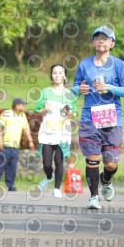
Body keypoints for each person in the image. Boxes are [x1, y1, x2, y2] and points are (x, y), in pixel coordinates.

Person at [73, 26, 124, 209]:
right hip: (89, 117)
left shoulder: (119, 65)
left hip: (112, 118)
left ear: (112, 44)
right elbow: (75, 87)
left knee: (110, 162)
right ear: (93, 42)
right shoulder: (84, 64)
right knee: (92, 159)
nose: (101, 40)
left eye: (105, 38)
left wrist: (110, 88)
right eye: (97, 37)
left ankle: (106, 180)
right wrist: (79, 90)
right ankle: (93, 197)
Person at [34, 64, 77, 198]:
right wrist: (45, 110)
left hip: (62, 134)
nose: (57, 75)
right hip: (47, 133)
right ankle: (48, 176)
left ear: (65, 76)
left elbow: (74, 114)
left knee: (59, 161)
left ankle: (57, 188)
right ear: (51, 76)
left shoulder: (69, 95)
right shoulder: (45, 92)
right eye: (54, 73)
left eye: (60, 73)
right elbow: (37, 110)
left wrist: (69, 113)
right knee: (47, 162)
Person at [0, 98, 35, 191]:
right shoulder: (6, 113)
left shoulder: (22, 116)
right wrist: (0, 141)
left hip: (15, 147)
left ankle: (10, 184)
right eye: (22, 105)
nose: (23, 107)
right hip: (5, 145)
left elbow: (26, 129)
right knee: (0, 165)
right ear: (17, 105)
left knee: (12, 167)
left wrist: (30, 141)